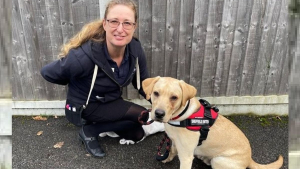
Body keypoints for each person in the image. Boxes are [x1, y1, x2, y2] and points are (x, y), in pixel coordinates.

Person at [40, 0, 164, 158]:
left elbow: (143, 83)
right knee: (143, 115)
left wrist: (162, 105)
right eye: (114, 22)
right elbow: (47, 72)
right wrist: (75, 83)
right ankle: (89, 130)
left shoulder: (135, 48)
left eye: (127, 23)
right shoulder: (83, 57)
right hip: (86, 105)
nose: (120, 29)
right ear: (105, 24)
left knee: (136, 133)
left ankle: (99, 127)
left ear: (134, 26)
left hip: (111, 100)